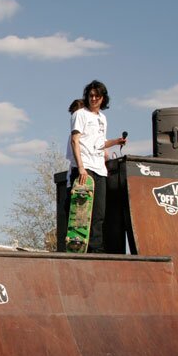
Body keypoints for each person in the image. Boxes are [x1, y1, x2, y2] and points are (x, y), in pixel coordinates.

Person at [65, 80, 126, 252]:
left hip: (100, 168)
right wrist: (81, 167)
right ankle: (77, 246)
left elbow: (99, 144)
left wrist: (116, 142)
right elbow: (74, 140)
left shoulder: (102, 119)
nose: (93, 99)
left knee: (99, 213)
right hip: (85, 167)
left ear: (102, 98)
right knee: (82, 212)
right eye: (90, 95)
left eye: (96, 96)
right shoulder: (80, 114)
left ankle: (96, 249)